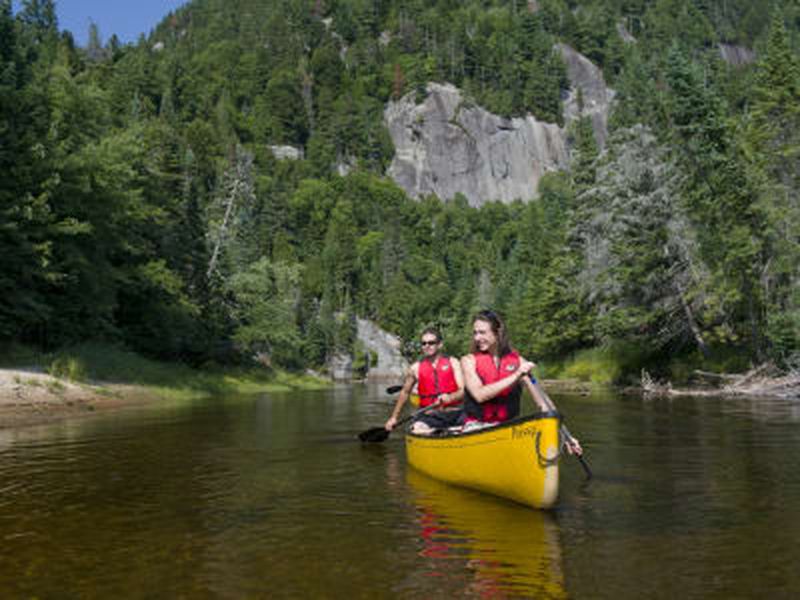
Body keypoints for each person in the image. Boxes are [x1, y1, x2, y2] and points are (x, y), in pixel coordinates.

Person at [460, 310, 582, 455]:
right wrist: (517, 375)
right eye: (475, 333)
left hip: (508, 428)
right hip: (477, 426)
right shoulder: (468, 361)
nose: (477, 338)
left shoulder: (519, 361)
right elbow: (480, 395)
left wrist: (566, 435)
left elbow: (543, 403)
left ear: (497, 332)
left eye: (482, 332)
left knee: (541, 439)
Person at [384, 327, 465, 434]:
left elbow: (463, 390)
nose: (427, 346)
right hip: (430, 416)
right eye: (424, 343)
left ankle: (444, 432)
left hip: (456, 414)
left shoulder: (453, 362)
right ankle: (436, 432)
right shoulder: (415, 368)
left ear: (440, 344)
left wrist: (450, 398)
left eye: (431, 343)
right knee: (417, 429)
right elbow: (405, 392)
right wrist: (394, 417)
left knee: (478, 422)